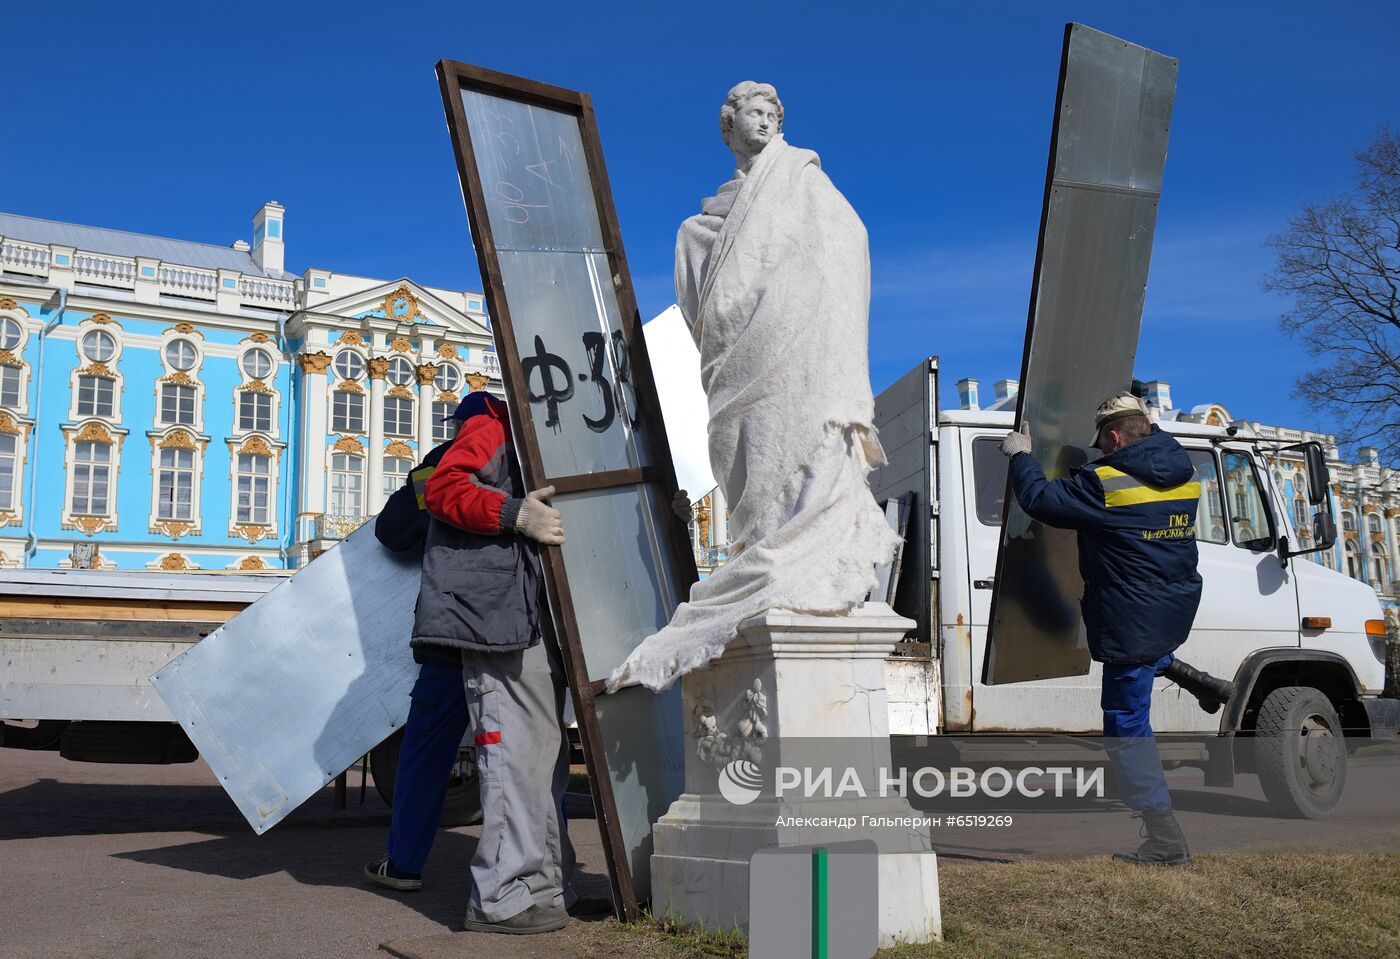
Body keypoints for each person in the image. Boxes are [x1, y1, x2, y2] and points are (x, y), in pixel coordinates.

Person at [608, 81, 898, 693]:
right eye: (751, 114)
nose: (763, 123)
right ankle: (763, 553)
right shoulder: (701, 226)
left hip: (803, 356)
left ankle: (800, 561)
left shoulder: (802, 180)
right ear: (728, 127)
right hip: (738, 366)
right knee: (748, 463)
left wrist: (796, 302)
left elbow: (848, 249)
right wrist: (741, 320)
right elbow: (699, 305)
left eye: (771, 114)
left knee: (804, 455)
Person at [1000, 393, 1236, 865]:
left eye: (1102, 444)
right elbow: (1152, 436)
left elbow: (1041, 499)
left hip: (1129, 613)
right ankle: (1202, 682)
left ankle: (1166, 842)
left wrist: (1022, 455)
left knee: (1126, 728)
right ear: (1146, 425)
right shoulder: (1184, 469)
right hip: (1173, 604)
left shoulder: (1106, 484)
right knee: (1147, 652)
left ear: (1111, 437)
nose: (1101, 453)